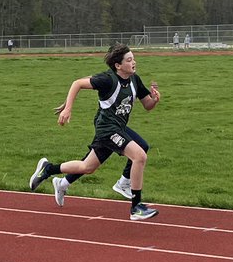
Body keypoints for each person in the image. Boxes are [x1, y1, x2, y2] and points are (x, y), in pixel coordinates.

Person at [27, 43, 161, 221]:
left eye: (134, 59)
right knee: (139, 156)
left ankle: (49, 169)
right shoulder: (107, 79)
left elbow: (147, 105)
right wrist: (68, 109)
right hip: (107, 128)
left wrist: (155, 99)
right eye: (129, 60)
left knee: (87, 167)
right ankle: (136, 206)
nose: (134, 62)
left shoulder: (135, 80)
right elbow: (77, 83)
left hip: (118, 128)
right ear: (118, 65)